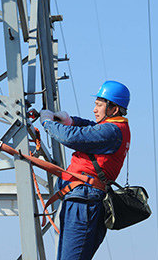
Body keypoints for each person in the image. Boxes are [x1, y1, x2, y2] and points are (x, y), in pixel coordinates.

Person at [39, 80, 131, 260]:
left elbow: (73, 137)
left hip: (85, 199)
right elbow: (90, 128)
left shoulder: (111, 131)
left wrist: (48, 123)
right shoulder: (115, 128)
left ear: (114, 109)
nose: (95, 110)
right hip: (84, 197)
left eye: (99, 105)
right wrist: (71, 121)